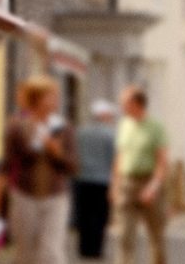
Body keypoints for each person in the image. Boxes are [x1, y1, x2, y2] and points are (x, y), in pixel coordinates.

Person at [0, 76, 79, 264]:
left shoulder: (63, 128)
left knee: (51, 252)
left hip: (56, 196)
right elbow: (6, 165)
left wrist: (57, 153)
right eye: (51, 96)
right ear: (36, 99)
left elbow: (73, 167)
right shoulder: (17, 127)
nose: (56, 100)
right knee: (25, 253)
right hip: (24, 195)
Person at [111, 86, 168, 264]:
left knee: (156, 237)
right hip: (127, 183)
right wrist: (114, 186)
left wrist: (153, 187)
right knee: (124, 236)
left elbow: (162, 162)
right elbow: (119, 157)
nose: (121, 106)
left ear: (136, 103)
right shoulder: (124, 125)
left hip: (149, 181)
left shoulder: (155, 127)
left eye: (124, 103)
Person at [74, 99, 117, 259]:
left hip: (82, 178)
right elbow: (115, 159)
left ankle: (84, 248)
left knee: (84, 214)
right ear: (104, 115)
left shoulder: (80, 132)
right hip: (103, 180)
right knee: (100, 216)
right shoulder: (110, 134)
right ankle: (96, 249)